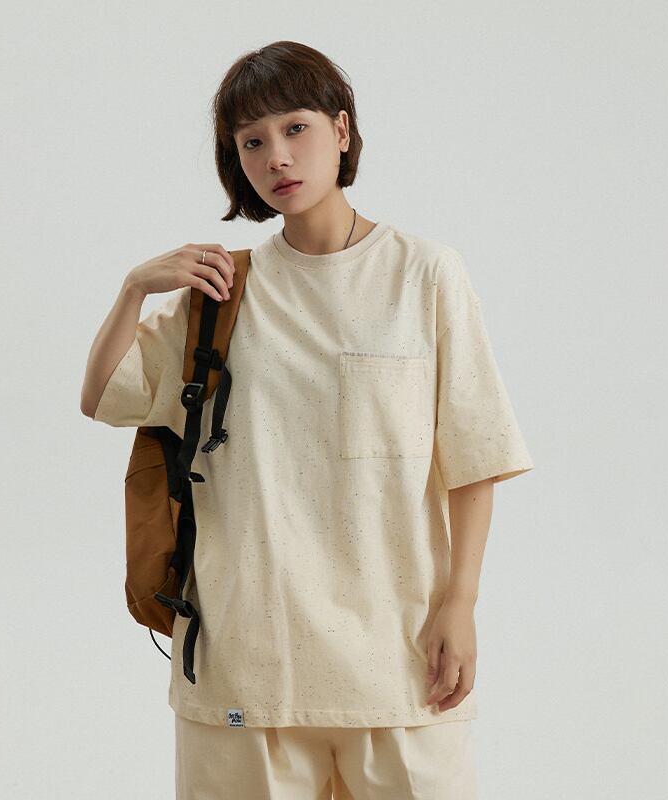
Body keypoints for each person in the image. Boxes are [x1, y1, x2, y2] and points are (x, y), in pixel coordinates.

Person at [81, 40, 534, 800]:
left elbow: (474, 458)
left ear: (342, 130)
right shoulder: (221, 293)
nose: (277, 157)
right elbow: (101, 397)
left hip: (400, 659)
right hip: (245, 659)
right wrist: (133, 289)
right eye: (252, 142)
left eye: (296, 128)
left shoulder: (424, 274)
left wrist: (461, 605)